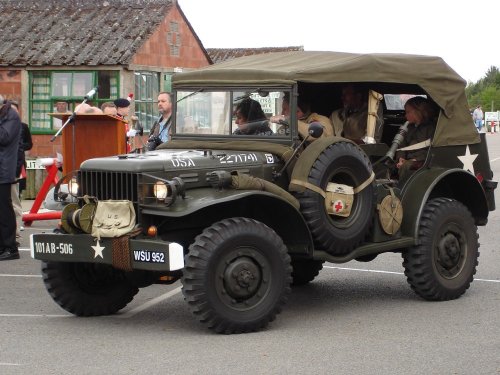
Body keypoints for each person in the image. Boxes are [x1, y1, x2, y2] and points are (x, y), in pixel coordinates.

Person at [395, 96, 438, 184]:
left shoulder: (431, 128)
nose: (405, 115)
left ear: (418, 112)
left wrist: (415, 160)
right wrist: (401, 158)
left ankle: (401, 189)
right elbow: (401, 145)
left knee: (406, 166)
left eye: (408, 112)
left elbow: (433, 148)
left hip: (423, 161)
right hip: (408, 159)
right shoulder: (408, 128)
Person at [0, 95, 22, 260]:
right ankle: (2, 246)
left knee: (5, 209)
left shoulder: (11, 115)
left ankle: (10, 247)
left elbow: (4, 137)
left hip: (3, 170)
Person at [10, 101, 33, 241]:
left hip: (16, 167)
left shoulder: (23, 127)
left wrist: (19, 147)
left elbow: (28, 144)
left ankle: (16, 231)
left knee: (15, 200)